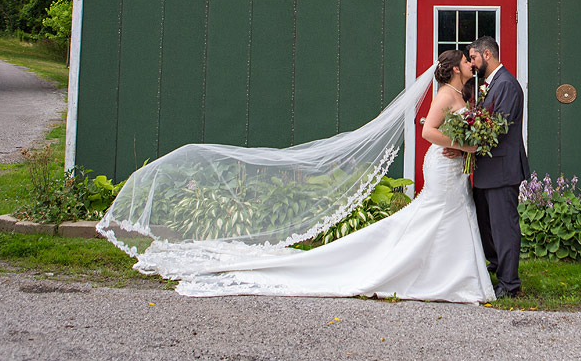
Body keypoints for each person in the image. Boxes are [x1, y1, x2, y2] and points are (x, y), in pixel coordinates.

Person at [171, 50, 495, 303]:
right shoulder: (444, 96)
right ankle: (437, 277)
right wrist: (464, 146)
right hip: (442, 165)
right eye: (467, 60)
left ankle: (449, 277)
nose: (471, 63)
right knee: (437, 215)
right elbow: (427, 131)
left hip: (453, 168)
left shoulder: (461, 96)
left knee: (448, 216)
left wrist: (468, 145)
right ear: (455, 68)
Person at [464, 35, 529, 298]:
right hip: (487, 171)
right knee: (488, 226)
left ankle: (509, 284)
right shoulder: (491, 84)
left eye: (473, 57)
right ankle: (496, 268)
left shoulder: (507, 85)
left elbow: (496, 128)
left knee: (504, 228)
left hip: (502, 170)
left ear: (487, 54)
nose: (471, 63)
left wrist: (463, 142)